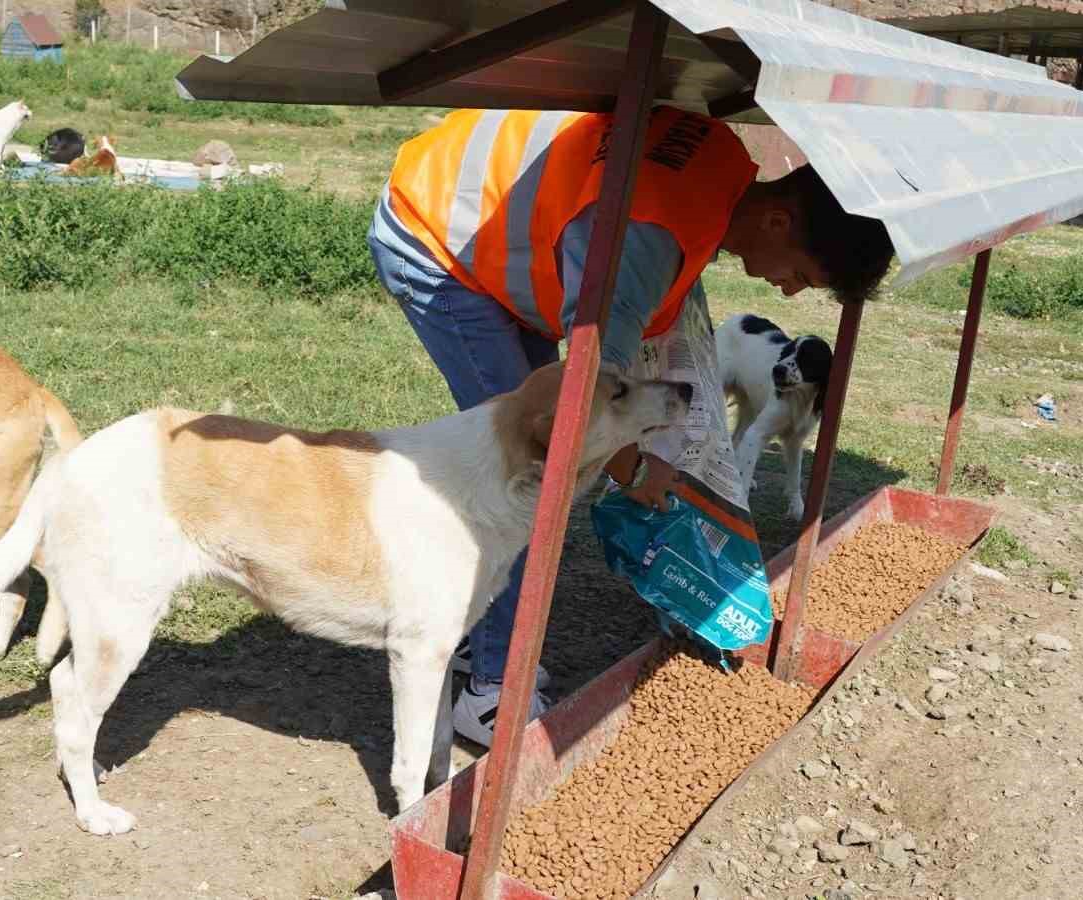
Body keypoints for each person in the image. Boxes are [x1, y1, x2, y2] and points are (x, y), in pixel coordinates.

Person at [368, 106, 894, 747]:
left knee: (530, 463)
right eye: (802, 277)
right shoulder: (641, 242)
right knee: (526, 474)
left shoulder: (725, 162)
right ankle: (492, 691)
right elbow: (582, 404)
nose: (787, 295)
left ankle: (471, 634)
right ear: (779, 219)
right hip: (436, 234)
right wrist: (636, 468)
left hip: (501, 221)